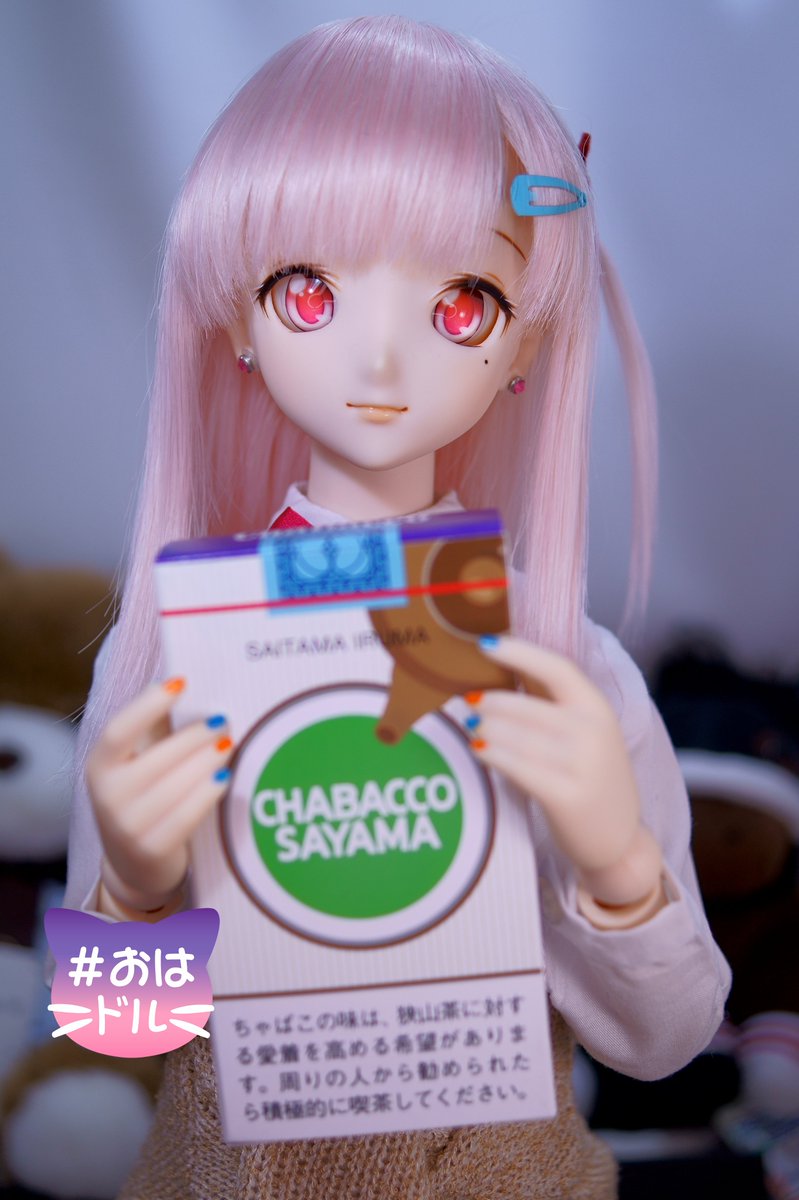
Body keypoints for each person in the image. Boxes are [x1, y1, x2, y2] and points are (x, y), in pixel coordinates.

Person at [66, 16, 730, 1198]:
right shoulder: (167, 652)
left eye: (462, 302)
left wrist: (618, 869)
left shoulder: (561, 666)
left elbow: (665, 1041)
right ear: (235, 316)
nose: (380, 360)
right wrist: (129, 888)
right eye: (309, 291)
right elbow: (118, 1041)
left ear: (522, 345)